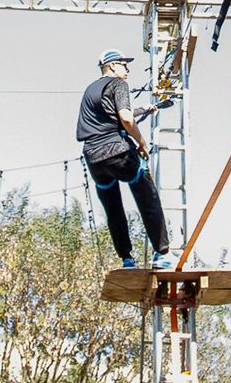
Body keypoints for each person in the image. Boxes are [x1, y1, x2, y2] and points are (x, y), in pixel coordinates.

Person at [75, 50, 174, 269]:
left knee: (113, 209)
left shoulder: (90, 89)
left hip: (94, 157)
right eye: (124, 65)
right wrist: (141, 142)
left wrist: (144, 109)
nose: (127, 70)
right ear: (111, 66)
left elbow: (110, 117)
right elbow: (125, 118)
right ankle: (162, 254)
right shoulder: (118, 84)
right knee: (148, 196)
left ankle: (127, 259)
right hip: (117, 151)